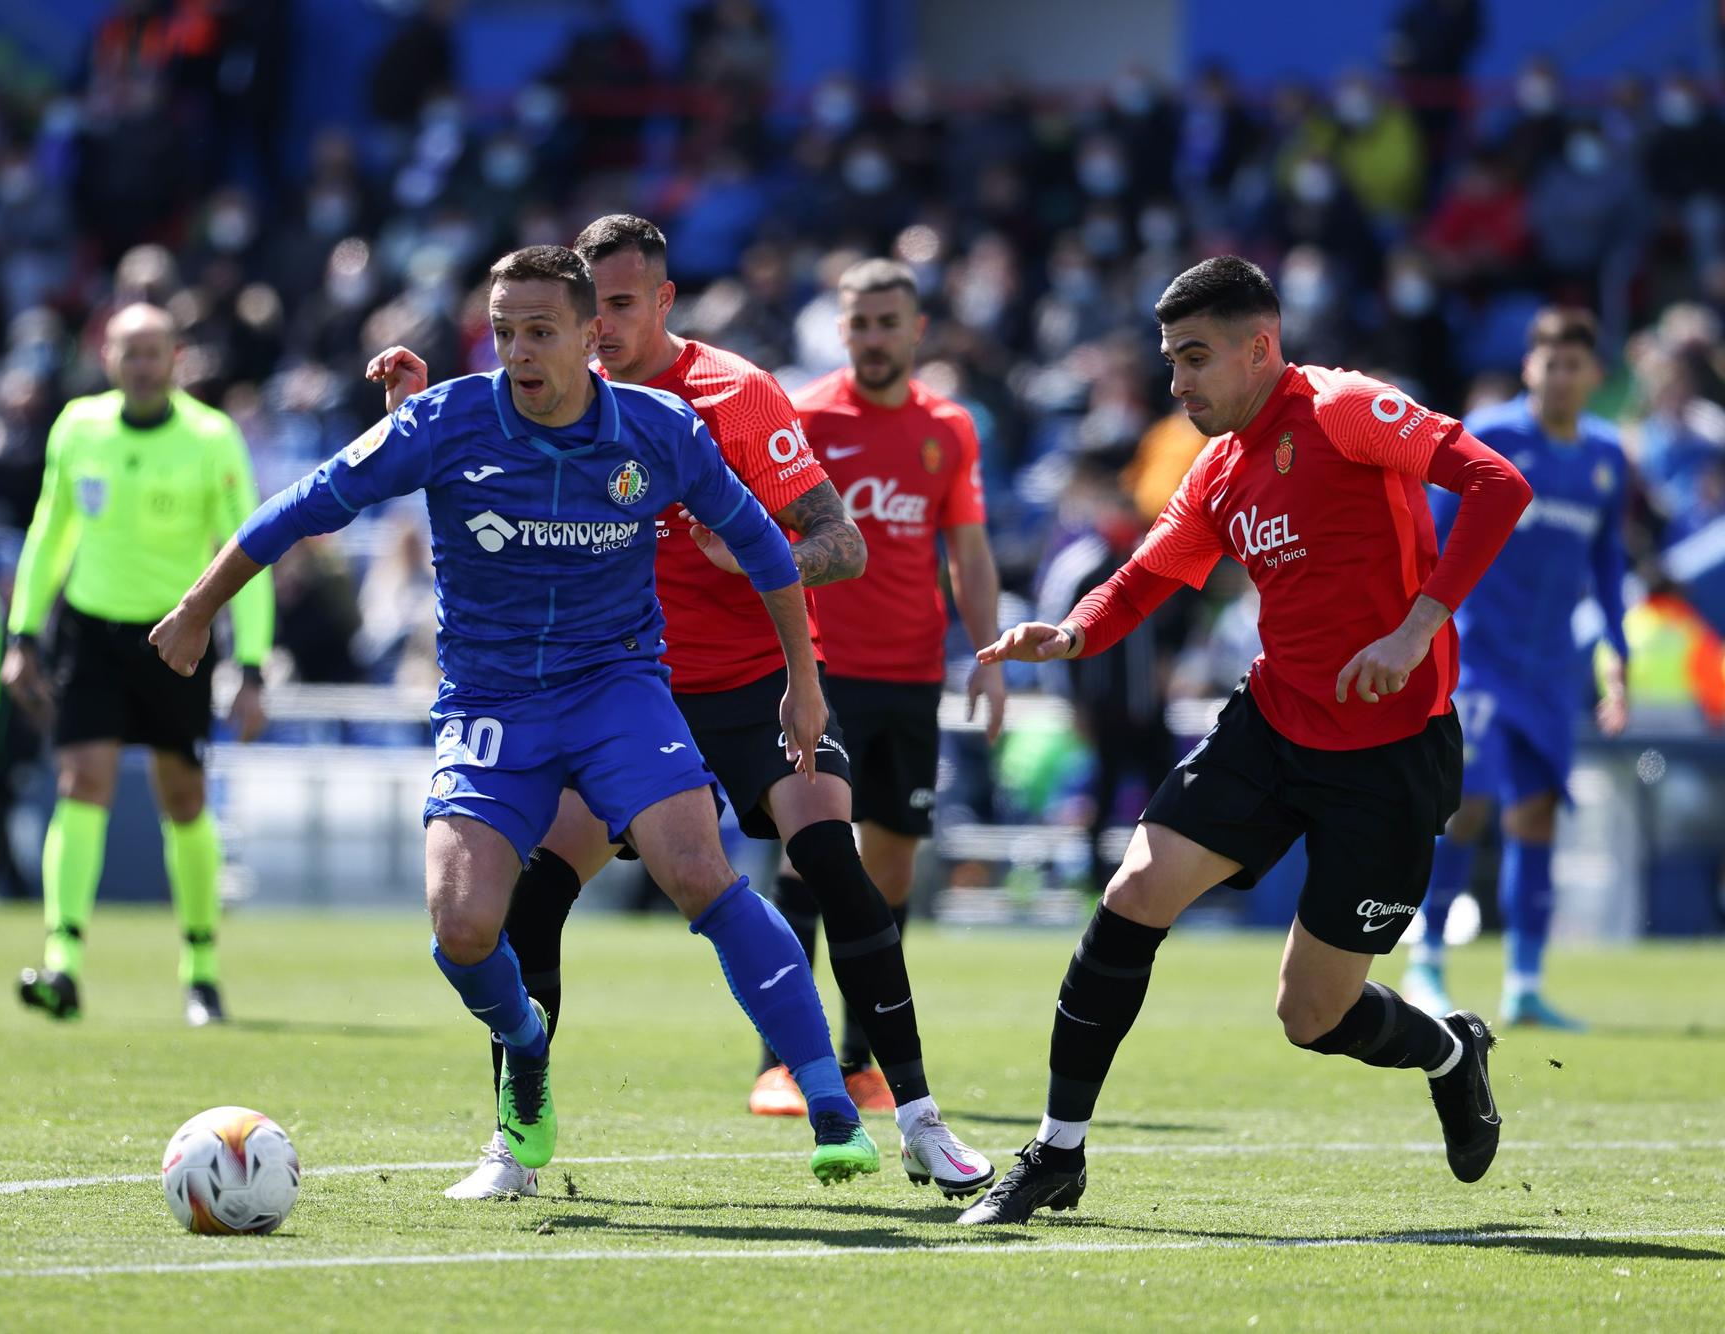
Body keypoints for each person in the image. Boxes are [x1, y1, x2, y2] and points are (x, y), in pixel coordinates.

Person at [149, 245, 879, 1186]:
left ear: (592, 335)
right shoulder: (446, 420)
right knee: (461, 928)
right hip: (490, 704)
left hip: (617, 689)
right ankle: (524, 1047)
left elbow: (766, 549)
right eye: (504, 333)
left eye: (541, 332)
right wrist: (199, 606)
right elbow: (301, 506)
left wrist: (803, 685)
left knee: (699, 870)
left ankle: (826, 1099)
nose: (521, 352)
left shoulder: (662, 430)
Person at [959, 256, 1531, 1225]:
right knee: (1132, 890)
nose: (1175, 381)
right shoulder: (1216, 472)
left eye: (1193, 357)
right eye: (1168, 360)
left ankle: (1447, 1048)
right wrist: (1070, 633)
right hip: (1269, 723)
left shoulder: (1343, 407)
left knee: (1310, 1015)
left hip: (1388, 750)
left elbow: (1494, 485)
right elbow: (1143, 578)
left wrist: (1412, 628)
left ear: (1258, 346)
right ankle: (1056, 1151)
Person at [440, 218, 990, 1202]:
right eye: (583, 308)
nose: (594, 326)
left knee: (833, 858)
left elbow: (840, 539)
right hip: (612, 693)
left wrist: (756, 560)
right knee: (537, 890)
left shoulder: (732, 395)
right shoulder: (540, 403)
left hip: (750, 686)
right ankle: (514, 1144)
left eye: (616, 304)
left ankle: (918, 1119)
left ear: (661, 302)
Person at [3, 303, 274, 1027]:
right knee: (81, 778)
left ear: (176, 358)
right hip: (90, 630)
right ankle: (62, 962)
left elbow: (247, 550)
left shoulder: (210, 439)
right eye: (130, 351)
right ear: (107, 356)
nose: (143, 364)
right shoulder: (77, 428)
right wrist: (22, 633)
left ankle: (202, 971)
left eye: (155, 351)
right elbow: (50, 531)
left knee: (182, 797)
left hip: (175, 637)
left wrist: (251, 665)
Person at [782, 256, 1005, 1098]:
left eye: (889, 323)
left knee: (893, 871)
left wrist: (986, 656)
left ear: (916, 330)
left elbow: (970, 554)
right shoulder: (801, 419)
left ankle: (859, 1057)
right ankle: (784, 1060)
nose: (874, 338)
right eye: (859, 323)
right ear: (841, 330)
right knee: (811, 855)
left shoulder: (949, 427)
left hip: (912, 677)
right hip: (822, 672)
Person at [1405, 308, 1630, 1030]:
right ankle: (1426, 965)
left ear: (1594, 375)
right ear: (1529, 367)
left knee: (1536, 815)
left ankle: (1525, 985)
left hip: (1551, 667)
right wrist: (1422, 632)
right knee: (1465, 805)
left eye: (1575, 365)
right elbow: (1433, 540)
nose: (1561, 377)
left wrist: (1615, 652)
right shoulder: (1491, 437)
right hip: (1479, 657)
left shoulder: (1605, 456)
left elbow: (1606, 562)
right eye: (1549, 363)